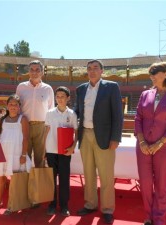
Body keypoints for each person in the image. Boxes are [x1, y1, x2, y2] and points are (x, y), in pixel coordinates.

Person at [134, 62, 166, 225]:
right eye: (150, 73)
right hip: (143, 146)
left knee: (161, 184)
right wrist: (142, 141)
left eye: (154, 73)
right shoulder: (145, 94)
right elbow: (138, 118)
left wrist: (159, 144)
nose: (151, 77)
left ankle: (159, 219)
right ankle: (148, 216)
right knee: (145, 183)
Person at [75, 59, 123, 224]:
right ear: (86, 71)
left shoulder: (111, 87)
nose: (92, 70)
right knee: (88, 173)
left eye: (96, 68)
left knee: (106, 175)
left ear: (102, 71)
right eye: (89, 68)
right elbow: (77, 112)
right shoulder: (81, 89)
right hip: (85, 135)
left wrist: (116, 137)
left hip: (104, 136)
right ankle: (90, 204)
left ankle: (108, 209)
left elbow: (118, 114)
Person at [0, 94, 31, 215]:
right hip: (4, 152)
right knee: (1, 178)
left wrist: (23, 155)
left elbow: (26, 138)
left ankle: (12, 204)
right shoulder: (2, 119)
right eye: (11, 104)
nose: (13, 107)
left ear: (19, 107)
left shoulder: (23, 119)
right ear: (7, 106)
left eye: (15, 105)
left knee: (14, 179)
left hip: (17, 153)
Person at [44, 86, 78, 217]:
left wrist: (73, 147)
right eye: (57, 96)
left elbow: (76, 132)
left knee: (64, 179)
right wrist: (43, 150)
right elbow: (46, 131)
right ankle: (52, 205)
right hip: (51, 150)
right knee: (51, 179)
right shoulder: (49, 113)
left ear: (68, 98)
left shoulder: (72, 114)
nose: (60, 99)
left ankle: (64, 206)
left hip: (65, 151)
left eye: (62, 96)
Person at [16, 60, 54, 168]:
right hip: (24, 125)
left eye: (37, 70)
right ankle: (25, 183)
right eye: (32, 69)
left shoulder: (48, 89)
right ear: (28, 71)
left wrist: (48, 130)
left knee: (40, 159)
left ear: (42, 72)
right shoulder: (21, 87)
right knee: (24, 157)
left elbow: (51, 110)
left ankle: (38, 184)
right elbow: (17, 107)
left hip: (41, 127)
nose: (34, 72)